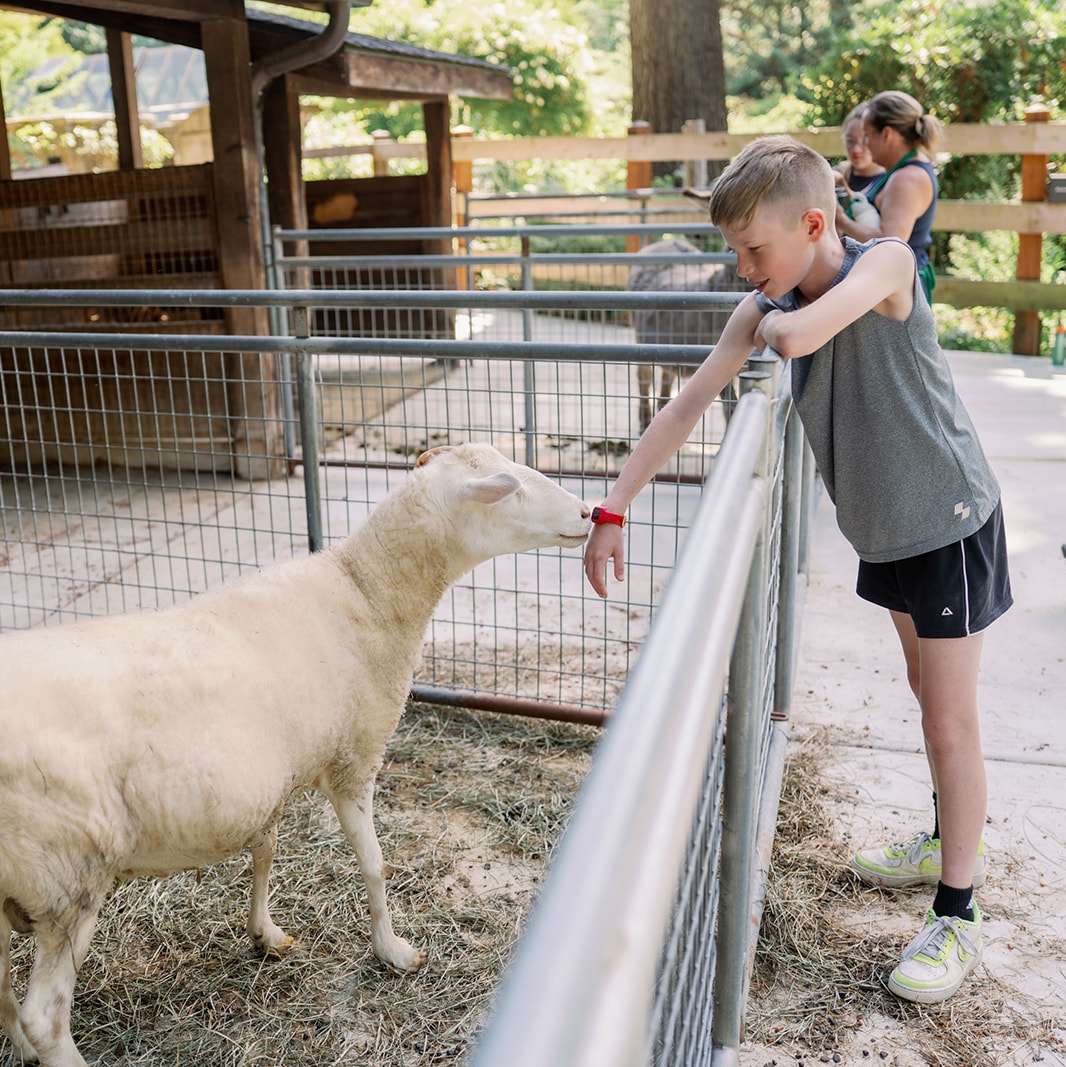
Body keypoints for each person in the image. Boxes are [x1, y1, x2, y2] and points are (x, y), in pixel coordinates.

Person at [584, 134, 1012, 1004]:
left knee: (947, 721)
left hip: (949, 521)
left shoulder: (883, 265)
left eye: (754, 250)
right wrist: (612, 505)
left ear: (814, 222)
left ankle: (958, 910)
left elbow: (805, 328)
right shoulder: (769, 300)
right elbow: (688, 404)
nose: (743, 270)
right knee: (921, 688)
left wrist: (768, 317)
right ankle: (943, 833)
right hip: (886, 533)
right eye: (735, 253)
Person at [836, 90, 942, 303]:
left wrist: (840, 220)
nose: (864, 144)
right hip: (892, 286)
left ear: (886, 135)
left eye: (867, 135)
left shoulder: (906, 178)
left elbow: (888, 243)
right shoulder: (901, 170)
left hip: (900, 293)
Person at [833, 102, 885, 196]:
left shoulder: (889, 181)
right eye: (850, 141)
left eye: (865, 140)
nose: (856, 149)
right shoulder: (837, 173)